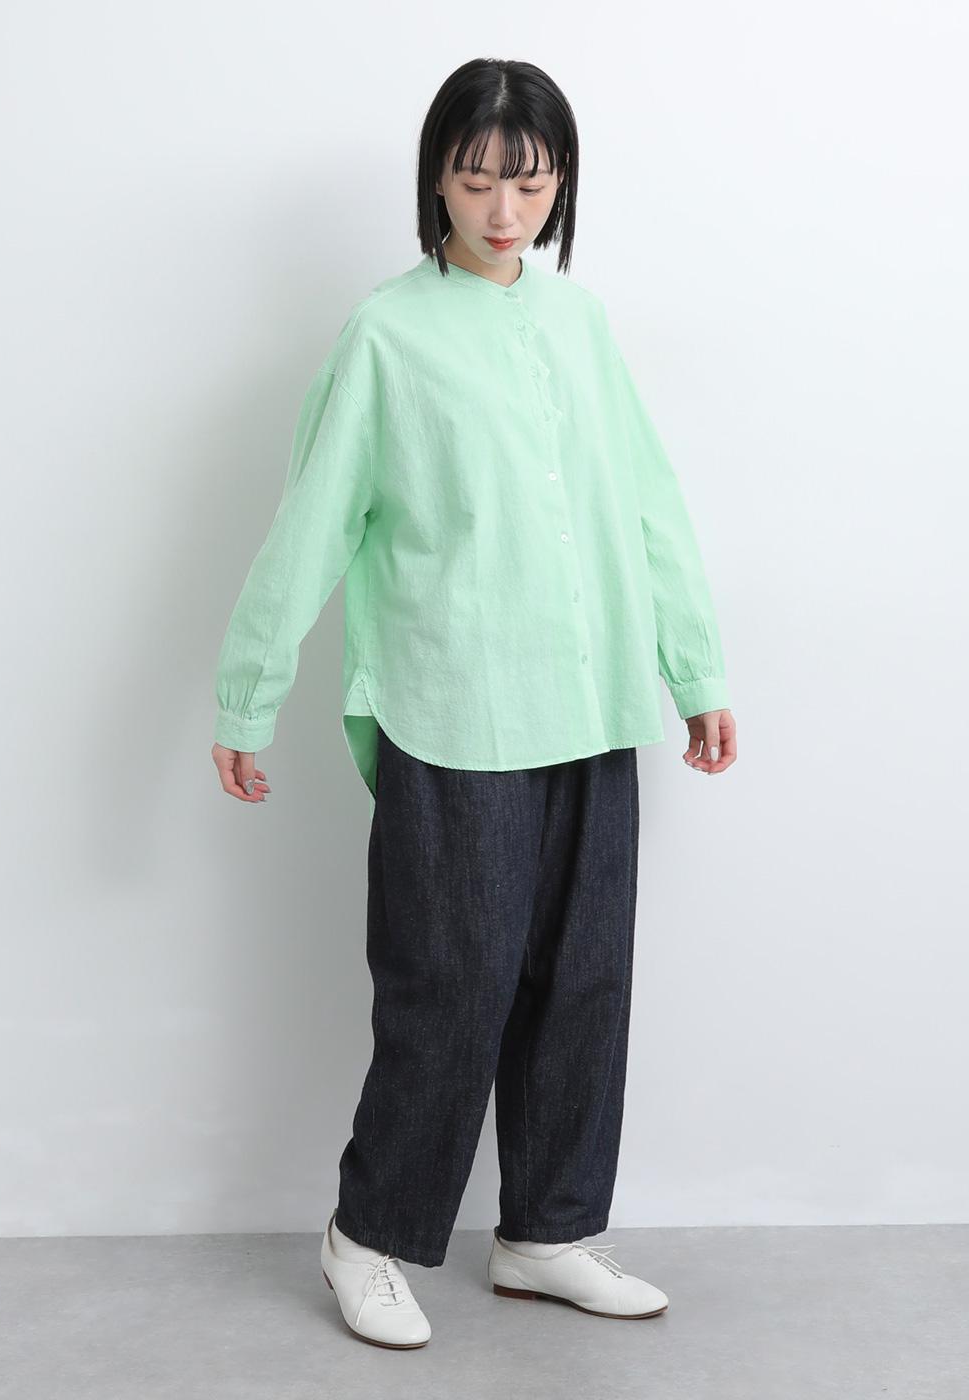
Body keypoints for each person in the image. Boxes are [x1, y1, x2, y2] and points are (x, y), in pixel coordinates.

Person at [210, 57, 738, 1349]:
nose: (506, 210)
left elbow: (648, 504)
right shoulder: (387, 334)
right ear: (436, 182)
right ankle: (369, 1235)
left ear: (562, 186)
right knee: (450, 983)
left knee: (583, 980)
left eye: (532, 182)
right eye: (477, 179)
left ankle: (548, 1231)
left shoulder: (581, 324)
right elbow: (314, 524)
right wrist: (248, 695)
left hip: (593, 702)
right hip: (456, 705)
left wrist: (696, 672)